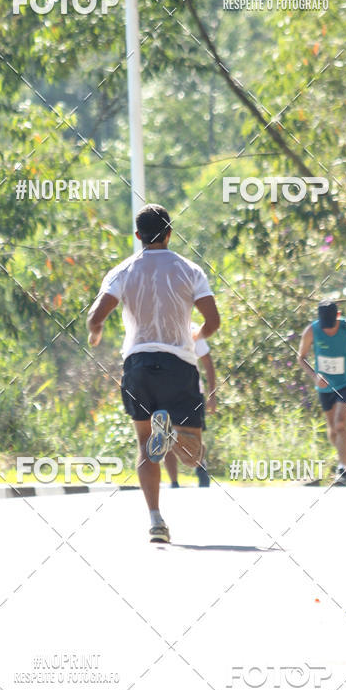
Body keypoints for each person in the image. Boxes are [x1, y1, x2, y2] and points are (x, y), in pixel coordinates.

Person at [86, 204, 220, 542]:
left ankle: (156, 521)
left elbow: (96, 316)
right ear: (170, 233)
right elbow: (213, 321)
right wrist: (197, 335)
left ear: (138, 236)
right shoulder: (190, 270)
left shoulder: (123, 271)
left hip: (138, 366)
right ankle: (173, 436)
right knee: (193, 456)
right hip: (179, 364)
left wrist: (96, 332)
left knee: (145, 446)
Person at [297, 299, 346, 484]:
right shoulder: (311, 331)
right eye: (325, 326)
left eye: (331, 325)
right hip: (325, 385)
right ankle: (342, 456)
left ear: (338, 316)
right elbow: (301, 358)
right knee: (333, 429)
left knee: (340, 423)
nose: (328, 330)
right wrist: (314, 376)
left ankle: (343, 467)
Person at [165, 321, 217, 488]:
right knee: (165, 435)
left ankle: (200, 466)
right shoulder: (156, 330)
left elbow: (207, 362)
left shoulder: (192, 329)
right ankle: (174, 482)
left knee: (192, 436)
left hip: (192, 393)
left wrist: (212, 394)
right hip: (164, 392)